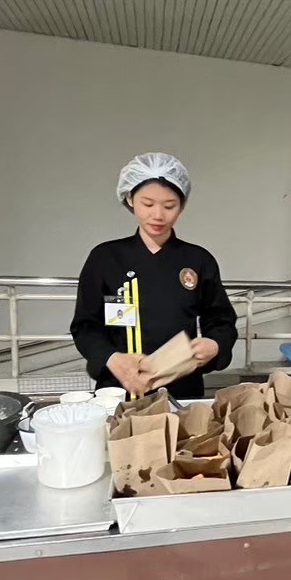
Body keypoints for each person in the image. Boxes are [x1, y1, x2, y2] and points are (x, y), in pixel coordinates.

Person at [70, 152, 238, 399]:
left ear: (182, 205)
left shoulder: (198, 260)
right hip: (118, 390)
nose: (158, 215)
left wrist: (214, 344)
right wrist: (111, 358)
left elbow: (221, 321)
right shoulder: (105, 258)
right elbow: (85, 326)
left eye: (169, 206)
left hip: (182, 390)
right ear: (130, 199)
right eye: (147, 204)